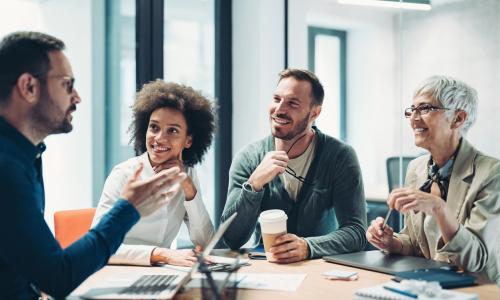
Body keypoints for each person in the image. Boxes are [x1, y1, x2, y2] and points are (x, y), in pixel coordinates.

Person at [0, 31, 186, 299]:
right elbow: (58, 277)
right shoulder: (7, 169)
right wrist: (128, 208)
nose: (76, 97)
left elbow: (40, 270)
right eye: (67, 85)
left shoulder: (26, 156)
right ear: (29, 87)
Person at [221, 68, 367, 263]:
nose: (279, 109)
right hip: (266, 267)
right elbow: (232, 239)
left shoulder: (339, 156)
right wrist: (254, 184)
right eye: (276, 99)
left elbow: (356, 232)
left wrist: (308, 247)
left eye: (292, 103)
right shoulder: (249, 158)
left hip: (320, 268)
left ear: (314, 113)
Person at [366, 75, 500, 285]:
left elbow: (476, 260)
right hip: (429, 285)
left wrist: (440, 209)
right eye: (412, 109)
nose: (413, 118)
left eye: (425, 109)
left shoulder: (492, 173)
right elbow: (415, 243)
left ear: (458, 118)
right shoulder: (416, 168)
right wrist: (392, 242)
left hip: (478, 288)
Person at [92, 80, 215, 267]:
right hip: (120, 271)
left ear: (188, 140)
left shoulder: (188, 174)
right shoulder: (123, 175)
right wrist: (161, 254)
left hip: (161, 273)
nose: (159, 138)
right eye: (154, 127)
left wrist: (190, 190)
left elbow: (206, 242)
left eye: (172, 130)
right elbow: (99, 246)